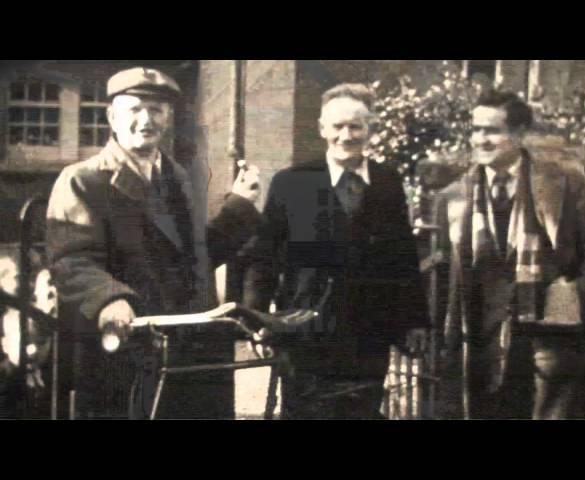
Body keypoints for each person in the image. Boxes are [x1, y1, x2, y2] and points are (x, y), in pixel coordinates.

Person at [46, 67, 261, 418]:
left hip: (186, 350)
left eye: (157, 110)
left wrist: (239, 205)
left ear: (168, 117)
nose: (146, 119)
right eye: (135, 109)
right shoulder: (83, 181)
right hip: (126, 351)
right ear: (112, 117)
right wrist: (109, 299)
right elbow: (72, 261)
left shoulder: (176, 176)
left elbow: (195, 254)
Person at [435, 89, 585, 419]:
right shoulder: (453, 198)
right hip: (481, 342)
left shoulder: (562, 182)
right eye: (476, 129)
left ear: (519, 134)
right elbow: (444, 279)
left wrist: (575, 294)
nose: (481, 140)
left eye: (492, 130)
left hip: (549, 342)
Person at [243, 83, 428, 419]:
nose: (346, 136)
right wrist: (256, 316)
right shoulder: (292, 182)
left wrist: (414, 320)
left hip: (369, 331)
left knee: (361, 411)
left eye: (356, 126)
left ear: (370, 130)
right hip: (306, 329)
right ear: (322, 128)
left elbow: (403, 255)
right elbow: (263, 256)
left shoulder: (388, 183)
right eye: (338, 126)